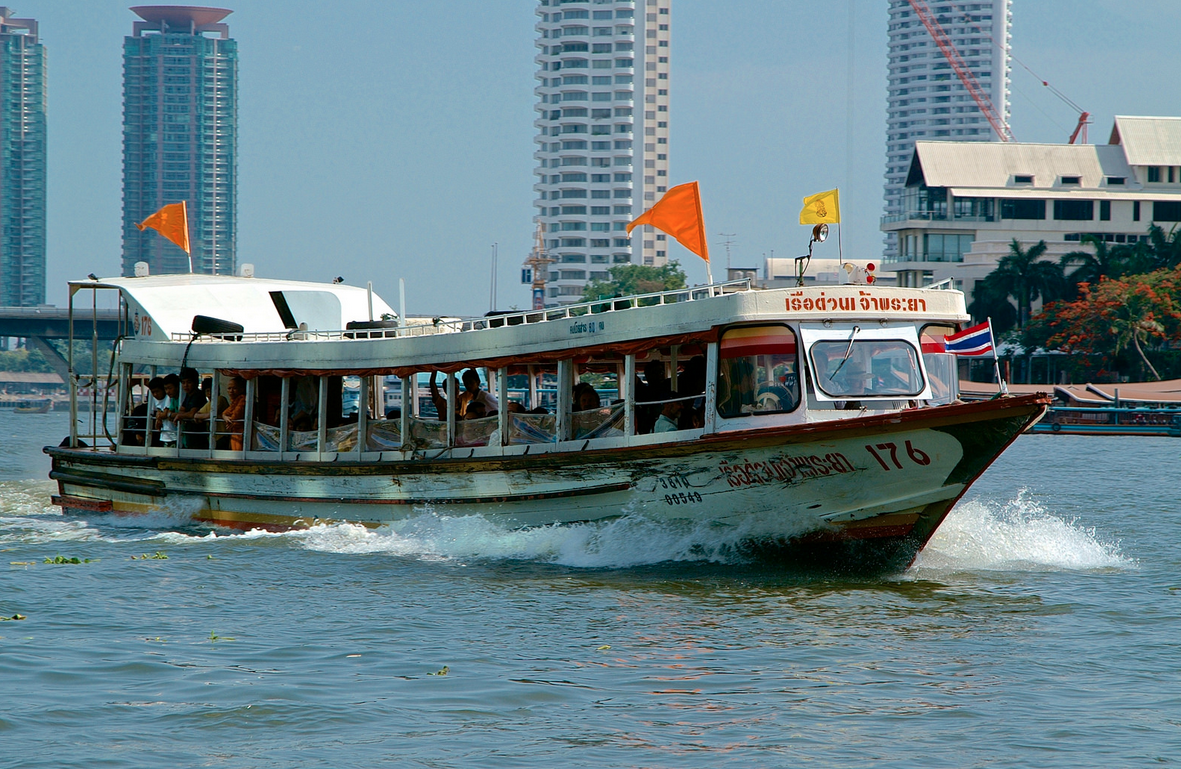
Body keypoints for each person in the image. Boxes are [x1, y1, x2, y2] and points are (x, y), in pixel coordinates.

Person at [174, 367, 208, 449]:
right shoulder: (188, 395)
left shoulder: (198, 395)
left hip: (199, 435)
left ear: (196, 382)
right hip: (189, 434)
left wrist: (180, 416)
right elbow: (181, 410)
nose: (186, 385)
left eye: (189, 382)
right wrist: (181, 415)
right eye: (183, 382)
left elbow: (192, 414)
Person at [219, 376, 247, 451]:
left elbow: (235, 417)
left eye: (234, 388)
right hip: (235, 432)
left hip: (242, 433)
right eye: (229, 388)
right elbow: (225, 413)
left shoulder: (243, 399)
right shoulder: (234, 401)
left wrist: (228, 419)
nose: (231, 391)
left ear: (241, 389)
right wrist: (224, 416)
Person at [154, 374, 180, 447]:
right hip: (167, 435)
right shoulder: (173, 399)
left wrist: (161, 416)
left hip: (174, 435)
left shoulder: (173, 399)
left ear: (177, 387)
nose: (168, 391)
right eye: (166, 389)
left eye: (170, 388)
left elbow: (167, 413)